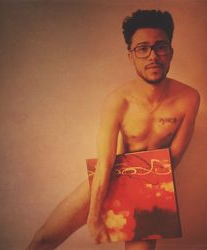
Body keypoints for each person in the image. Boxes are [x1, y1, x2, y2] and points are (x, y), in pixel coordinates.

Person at [26, 9, 200, 250]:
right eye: (142, 48)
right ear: (131, 56)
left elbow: (175, 157)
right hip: (111, 176)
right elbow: (106, 162)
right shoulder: (117, 101)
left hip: (152, 182)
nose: (153, 56)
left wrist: (144, 196)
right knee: (43, 239)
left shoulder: (189, 98)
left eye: (160, 46)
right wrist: (95, 215)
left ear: (170, 52)